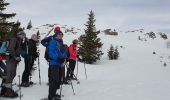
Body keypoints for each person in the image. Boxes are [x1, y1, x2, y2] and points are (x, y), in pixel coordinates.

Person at [1, 31, 25, 98]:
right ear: (19, 35)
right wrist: (15, 57)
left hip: (13, 60)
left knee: (12, 74)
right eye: (23, 35)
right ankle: (7, 92)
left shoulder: (19, 40)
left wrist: (18, 57)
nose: (24, 36)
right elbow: (11, 49)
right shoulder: (14, 39)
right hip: (10, 59)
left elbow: (17, 50)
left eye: (24, 35)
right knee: (10, 74)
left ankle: (5, 90)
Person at [48, 31, 67, 100]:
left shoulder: (60, 43)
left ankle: (54, 93)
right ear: (56, 35)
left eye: (62, 35)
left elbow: (61, 53)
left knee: (58, 79)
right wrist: (58, 58)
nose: (61, 36)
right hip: (54, 63)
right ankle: (51, 96)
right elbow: (51, 52)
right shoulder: (53, 42)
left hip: (59, 64)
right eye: (59, 34)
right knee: (54, 79)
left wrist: (64, 57)